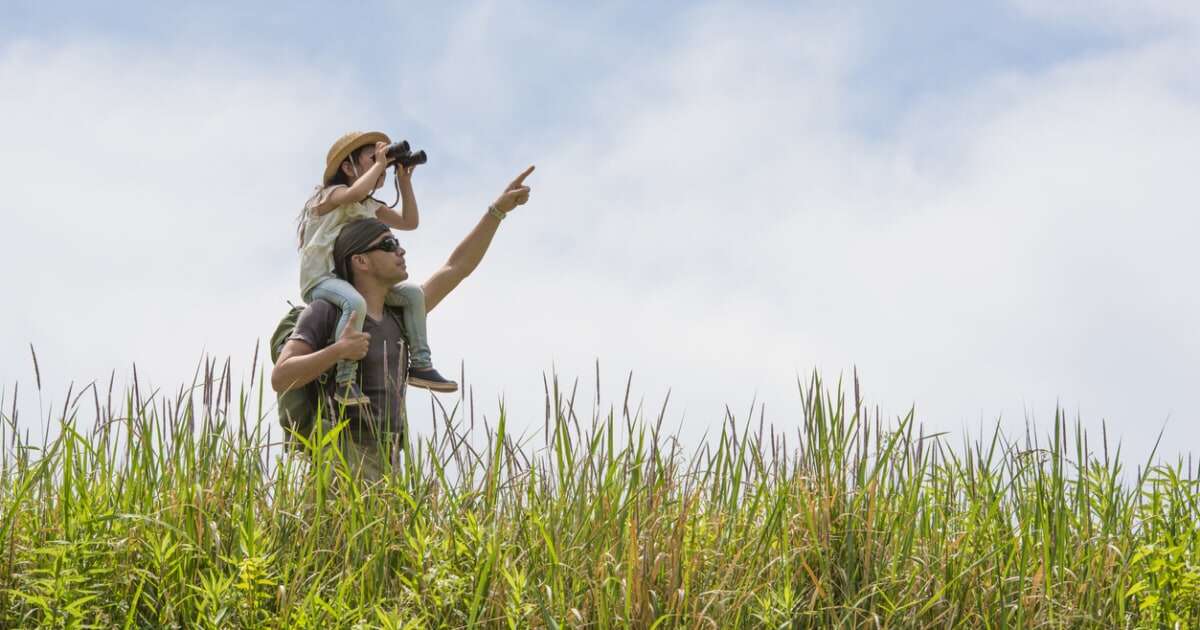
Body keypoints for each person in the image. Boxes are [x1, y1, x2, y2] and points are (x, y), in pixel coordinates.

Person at [272, 165, 535, 482]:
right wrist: (339, 350)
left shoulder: (401, 315)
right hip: (340, 457)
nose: (400, 249)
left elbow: (456, 268)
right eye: (387, 244)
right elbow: (282, 376)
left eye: (397, 242)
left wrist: (497, 211)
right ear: (361, 261)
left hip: (389, 458)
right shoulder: (325, 311)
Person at [296, 130, 457, 406]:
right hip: (320, 279)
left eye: (384, 156)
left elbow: (409, 221)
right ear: (348, 167)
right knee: (355, 303)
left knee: (413, 295)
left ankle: (420, 364)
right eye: (372, 158)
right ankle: (345, 382)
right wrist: (384, 163)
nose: (381, 162)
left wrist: (403, 180)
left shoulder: (368, 205)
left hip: (348, 280)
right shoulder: (332, 194)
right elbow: (355, 192)